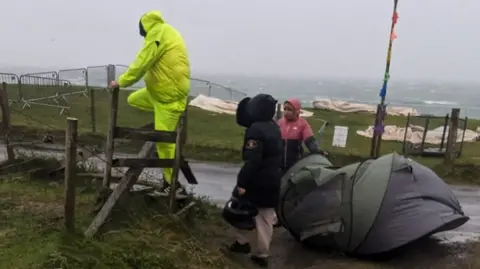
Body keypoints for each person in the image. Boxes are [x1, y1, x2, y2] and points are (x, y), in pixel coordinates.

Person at [108, 10, 190, 195]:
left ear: (144, 27)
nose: (142, 35)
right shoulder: (167, 31)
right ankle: (161, 119)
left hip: (168, 97)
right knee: (134, 99)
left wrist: (121, 81)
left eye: (141, 31)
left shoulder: (156, 34)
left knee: (165, 142)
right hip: (159, 92)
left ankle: (172, 185)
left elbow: (142, 62)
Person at [227, 94, 283, 268]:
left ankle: (242, 242)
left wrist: (242, 183)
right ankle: (262, 253)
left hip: (257, 180)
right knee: (266, 216)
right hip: (274, 178)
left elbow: (253, 161)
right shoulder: (275, 127)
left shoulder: (255, 130)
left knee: (241, 209)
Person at [277, 98, 327, 172]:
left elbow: (310, 141)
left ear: (297, 111)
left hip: (295, 165)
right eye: (285, 109)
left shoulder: (303, 124)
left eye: (289, 110)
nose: (286, 112)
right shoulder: (279, 123)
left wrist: (319, 152)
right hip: (278, 165)